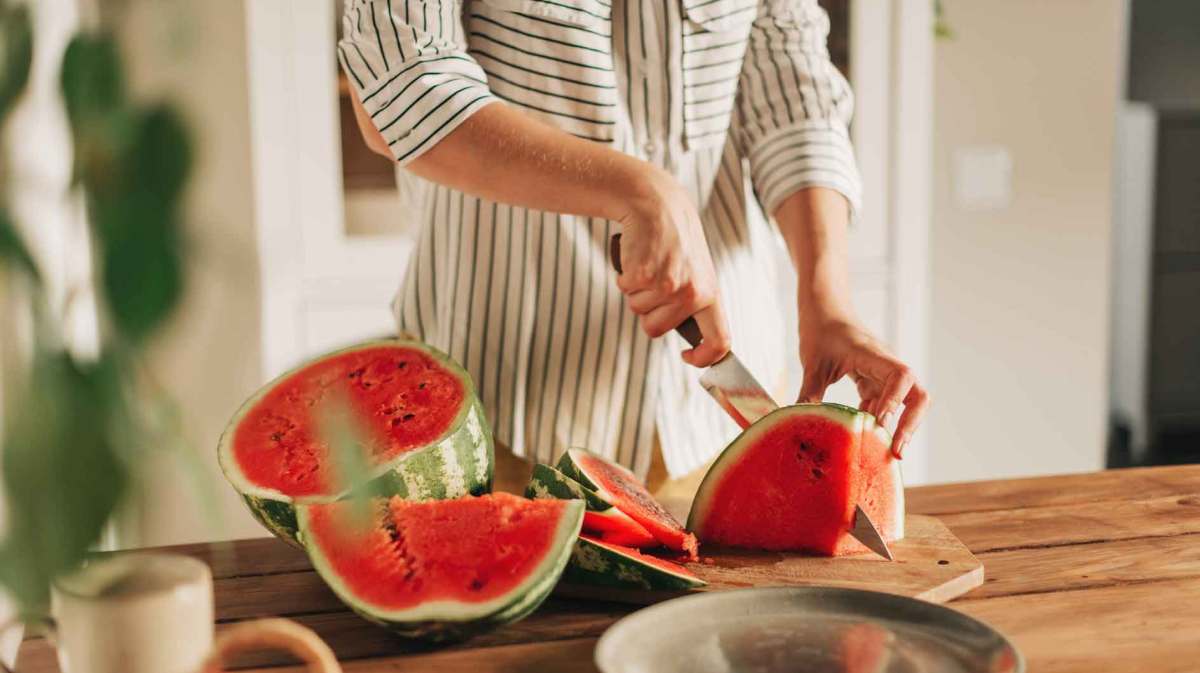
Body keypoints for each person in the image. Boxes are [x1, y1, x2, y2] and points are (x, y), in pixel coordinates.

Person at [337, 0, 928, 496]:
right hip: (492, 410)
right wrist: (644, 192)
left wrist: (827, 301)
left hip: (714, 423)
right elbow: (399, 85)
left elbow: (792, 90)